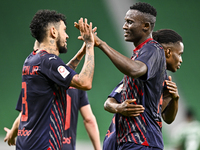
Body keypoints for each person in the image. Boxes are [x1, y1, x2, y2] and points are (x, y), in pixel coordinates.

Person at [9, 9, 95, 150]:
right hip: (43, 145)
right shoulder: (49, 61)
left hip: (25, 143)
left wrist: (80, 53)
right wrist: (90, 45)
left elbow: (58, 74)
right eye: (64, 30)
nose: (67, 36)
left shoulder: (31, 59)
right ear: (53, 32)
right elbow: (85, 82)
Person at [102, 29, 184, 150]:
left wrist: (174, 98)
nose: (181, 60)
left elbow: (168, 118)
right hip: (126, 141)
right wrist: (119, 107)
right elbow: (108, 103)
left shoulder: (164, 80)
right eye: (180, 54)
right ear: (168, 52)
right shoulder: (141, 73)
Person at [4, 87, 101, 150]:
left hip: (42, 144)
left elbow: (25, 114)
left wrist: (12, 133)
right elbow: (89, 119)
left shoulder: (37, 79)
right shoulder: (77, 83)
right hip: (67, 146)